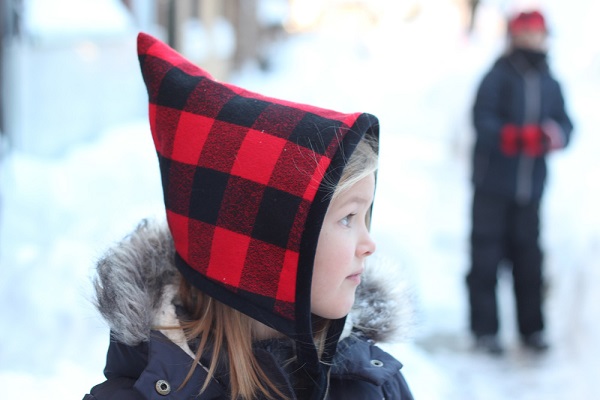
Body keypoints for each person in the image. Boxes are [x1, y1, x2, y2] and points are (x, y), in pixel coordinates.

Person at [83, 32, 414, 399]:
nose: (369, 244)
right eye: (348, 218)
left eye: (365, 216)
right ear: (269, 245)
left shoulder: (373, 385)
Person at [466, 10, 573, 355]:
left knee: (529, 262)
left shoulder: (551, 82)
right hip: (492, 189)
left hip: (531, 192)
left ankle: (532, 330)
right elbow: (483, 122)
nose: (530, 41)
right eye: (524, 34)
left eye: (536, 35)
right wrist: (515, 138)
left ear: (545, 38)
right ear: (512, 37)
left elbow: (566, 126)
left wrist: (554, 136)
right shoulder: (497, 77)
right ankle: (485, 331)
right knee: (486, 259)